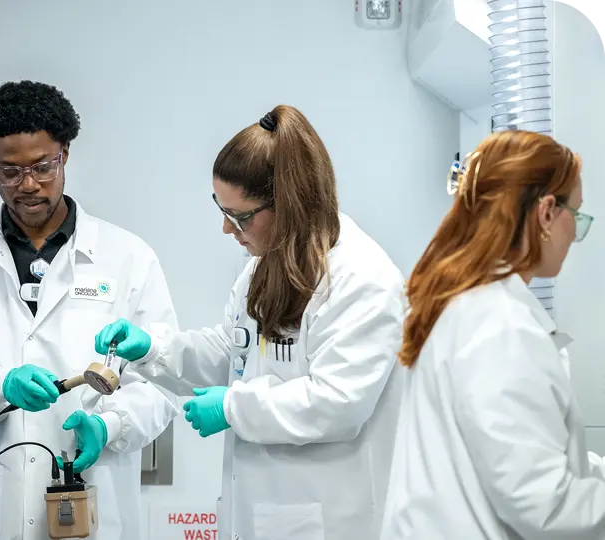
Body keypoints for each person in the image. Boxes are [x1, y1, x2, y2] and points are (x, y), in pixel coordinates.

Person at [95, 105, 405, 540]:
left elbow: (338, 404)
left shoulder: (362, 279)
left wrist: (232, 407)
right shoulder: (265, 265)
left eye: (240, 216)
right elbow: (233, 353)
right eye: (221, 209)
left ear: (291, 204)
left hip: (330, 520)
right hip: (258, 514)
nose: (227, 228)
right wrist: (152, 350)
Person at [0, 80, 180, 540]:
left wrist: (111, 424)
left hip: (96, 505)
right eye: (9, 171)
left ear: (65, 154)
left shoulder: (128, 257)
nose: (29, 185)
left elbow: (160, 385)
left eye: (44, 166)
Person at [379, 130, 605, 539]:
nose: (576, 234)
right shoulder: (500, 326)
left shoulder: (465, 304)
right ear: (547, 213)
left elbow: (520, 457)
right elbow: (542, 505)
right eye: (578, 215)